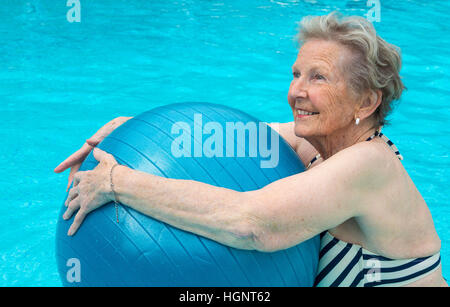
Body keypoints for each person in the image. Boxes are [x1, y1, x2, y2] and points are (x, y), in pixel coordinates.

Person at [54, 13, 447, 287]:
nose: (298, 91)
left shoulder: (369, 166)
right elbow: (206, 138)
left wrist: (116, 181)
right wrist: (131, 128)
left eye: (319, 77)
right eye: (296, 74)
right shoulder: (312, 145)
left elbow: (253, 226)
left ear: (365, 103)